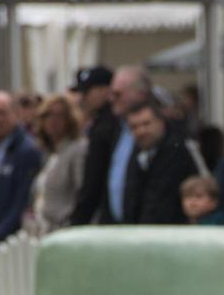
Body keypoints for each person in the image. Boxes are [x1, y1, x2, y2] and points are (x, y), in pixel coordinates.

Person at [70, 65, 150, 226]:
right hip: (115, 226)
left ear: (140, 94)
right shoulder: (114, 127)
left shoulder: (153, 132)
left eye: (118, 94)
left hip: (142, 229)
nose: (111, 99)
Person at [122, 99, 203, 225]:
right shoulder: (140, 151)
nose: (141, 131)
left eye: (146, 124)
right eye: (134, 127)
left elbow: (161, 203)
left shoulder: (178, 150)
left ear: (160, 122)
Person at [0, 90, 41, 240]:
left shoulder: (26, 150)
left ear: (15, 112)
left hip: (10, 238)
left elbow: (22, 201)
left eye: (1, 113)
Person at [29, 93, 85, 235]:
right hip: (42, 229)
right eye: (49, 115)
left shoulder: (77, 150)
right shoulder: (48, 154)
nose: (53, 121)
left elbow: (82, 192)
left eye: (60, 115)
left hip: (64, 230)